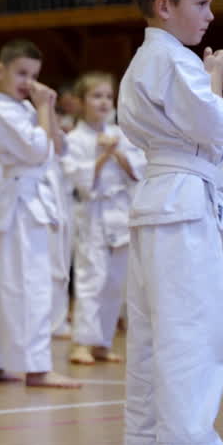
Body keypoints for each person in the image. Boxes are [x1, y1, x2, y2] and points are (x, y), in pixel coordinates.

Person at [117, 0, 223, 445]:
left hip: (159, 195)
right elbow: (215, 130)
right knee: (193, 321)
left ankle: (149, 429)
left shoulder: (143, 60)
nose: (210, 15)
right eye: (202, 3)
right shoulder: (175, 60)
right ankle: (190, 438)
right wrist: (214, 77)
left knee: (154, 322)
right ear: (165, 6)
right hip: (182, 199)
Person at [0, 40, 79, 388]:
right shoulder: (2, 111)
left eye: (34, 75)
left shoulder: (26, 110)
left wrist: (46, 110)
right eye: (21, 73)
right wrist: (45, 110)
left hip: (27, 201)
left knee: (3, 287)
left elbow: (59, 148)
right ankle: (36, 367)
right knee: (27, 285)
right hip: (18, 203)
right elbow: (37, 152)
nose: (28, 82)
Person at [63, 72, 144, 366]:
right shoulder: (74, 138)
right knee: (90, 279)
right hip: (92, 214)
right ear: (81, 102)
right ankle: (82, 343)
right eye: (96, 96)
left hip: (120, 213)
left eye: (108, 96)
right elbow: (79, 179)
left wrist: (118, 153)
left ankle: (102, 342)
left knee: (115, 282)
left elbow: (139, 170)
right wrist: (102, 155)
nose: (104, 102)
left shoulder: (122, 135)